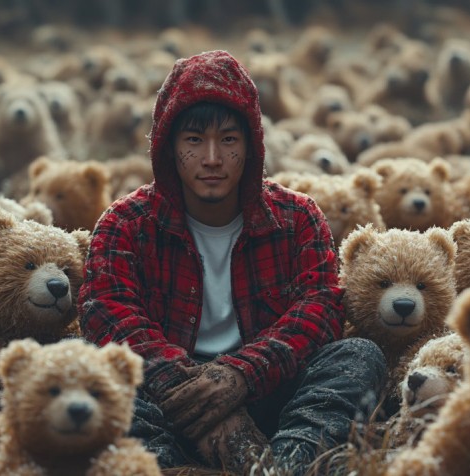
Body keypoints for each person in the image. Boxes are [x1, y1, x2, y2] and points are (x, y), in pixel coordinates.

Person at [77, 50, 386, 474]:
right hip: (169, 399)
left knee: (358, 356)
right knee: (85, 367)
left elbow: (319, 310)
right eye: (193, 140)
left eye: (227, 139)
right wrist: (193, 391)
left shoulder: (297, 217)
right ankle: (169, 465)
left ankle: (285, 465)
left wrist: (240, 376)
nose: (211, 159)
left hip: (270, 391)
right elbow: (107, 313)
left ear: (251, 145)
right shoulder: (125, 223)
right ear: (168, 146)